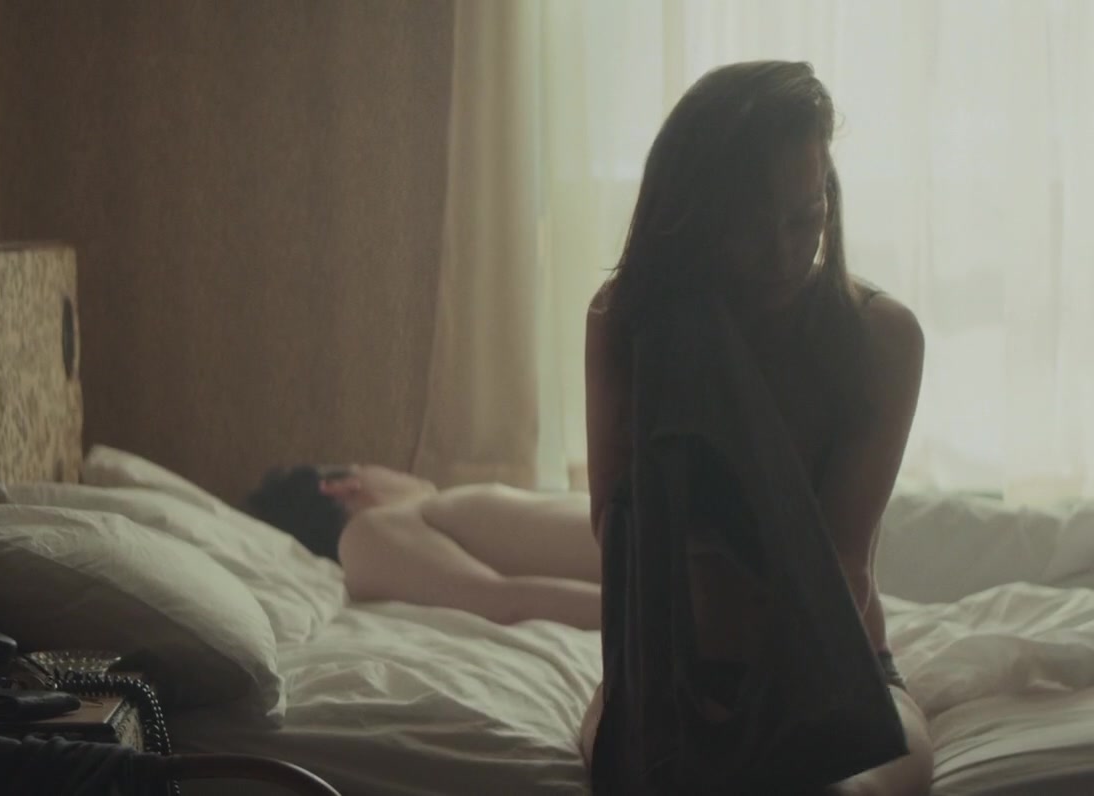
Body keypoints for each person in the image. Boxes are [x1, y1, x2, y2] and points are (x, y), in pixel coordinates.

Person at [581, 60, 933, 795]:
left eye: (805, 217)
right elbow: (617, 532)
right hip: (666, 677)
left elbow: (840, 565)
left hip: (837, 677)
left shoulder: (880, 338)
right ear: (694, 213)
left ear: (829, 195)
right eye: (749, 223)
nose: (782, 252)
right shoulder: (627, 322)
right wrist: (665, 701)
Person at [245, 464, 605, 630]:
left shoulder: (412, 517)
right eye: (369, 465)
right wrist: (634, 615)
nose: (398, 471)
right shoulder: (367, 533)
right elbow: (499, 600)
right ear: (339, 485)